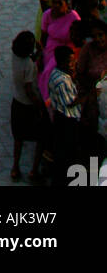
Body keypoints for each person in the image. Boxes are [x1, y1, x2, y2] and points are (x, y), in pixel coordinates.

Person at [9, 30, 48, 182]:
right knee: (40, 137)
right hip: (28, 106)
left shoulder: (16, 58)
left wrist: (38, 51)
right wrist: (39, 105)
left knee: (18, 138)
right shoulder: (29, 66)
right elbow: (29, 89)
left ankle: (15, 167)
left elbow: (30, 59)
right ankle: (33, 171)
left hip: (17, 103)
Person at [47, 46, 84, 185]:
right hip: (66, 121)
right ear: (62, 62)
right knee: (66, 154)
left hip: (62, 118)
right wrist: (89, 94)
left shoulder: (59, 74)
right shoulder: (62, 80)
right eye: (71, 62)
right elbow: (71, 103)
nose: (73, 64)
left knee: (64, 153)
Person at [38, 0, 81, 104]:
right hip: (51, 48)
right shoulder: (47, 15)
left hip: (68, 48)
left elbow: (79, 36)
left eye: (60, 3)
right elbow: (43, 36)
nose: (56, 6)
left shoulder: (73, 16)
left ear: (66, 5)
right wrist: (40, 54)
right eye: (54, 3)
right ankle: (47, 99)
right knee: (47, 71)